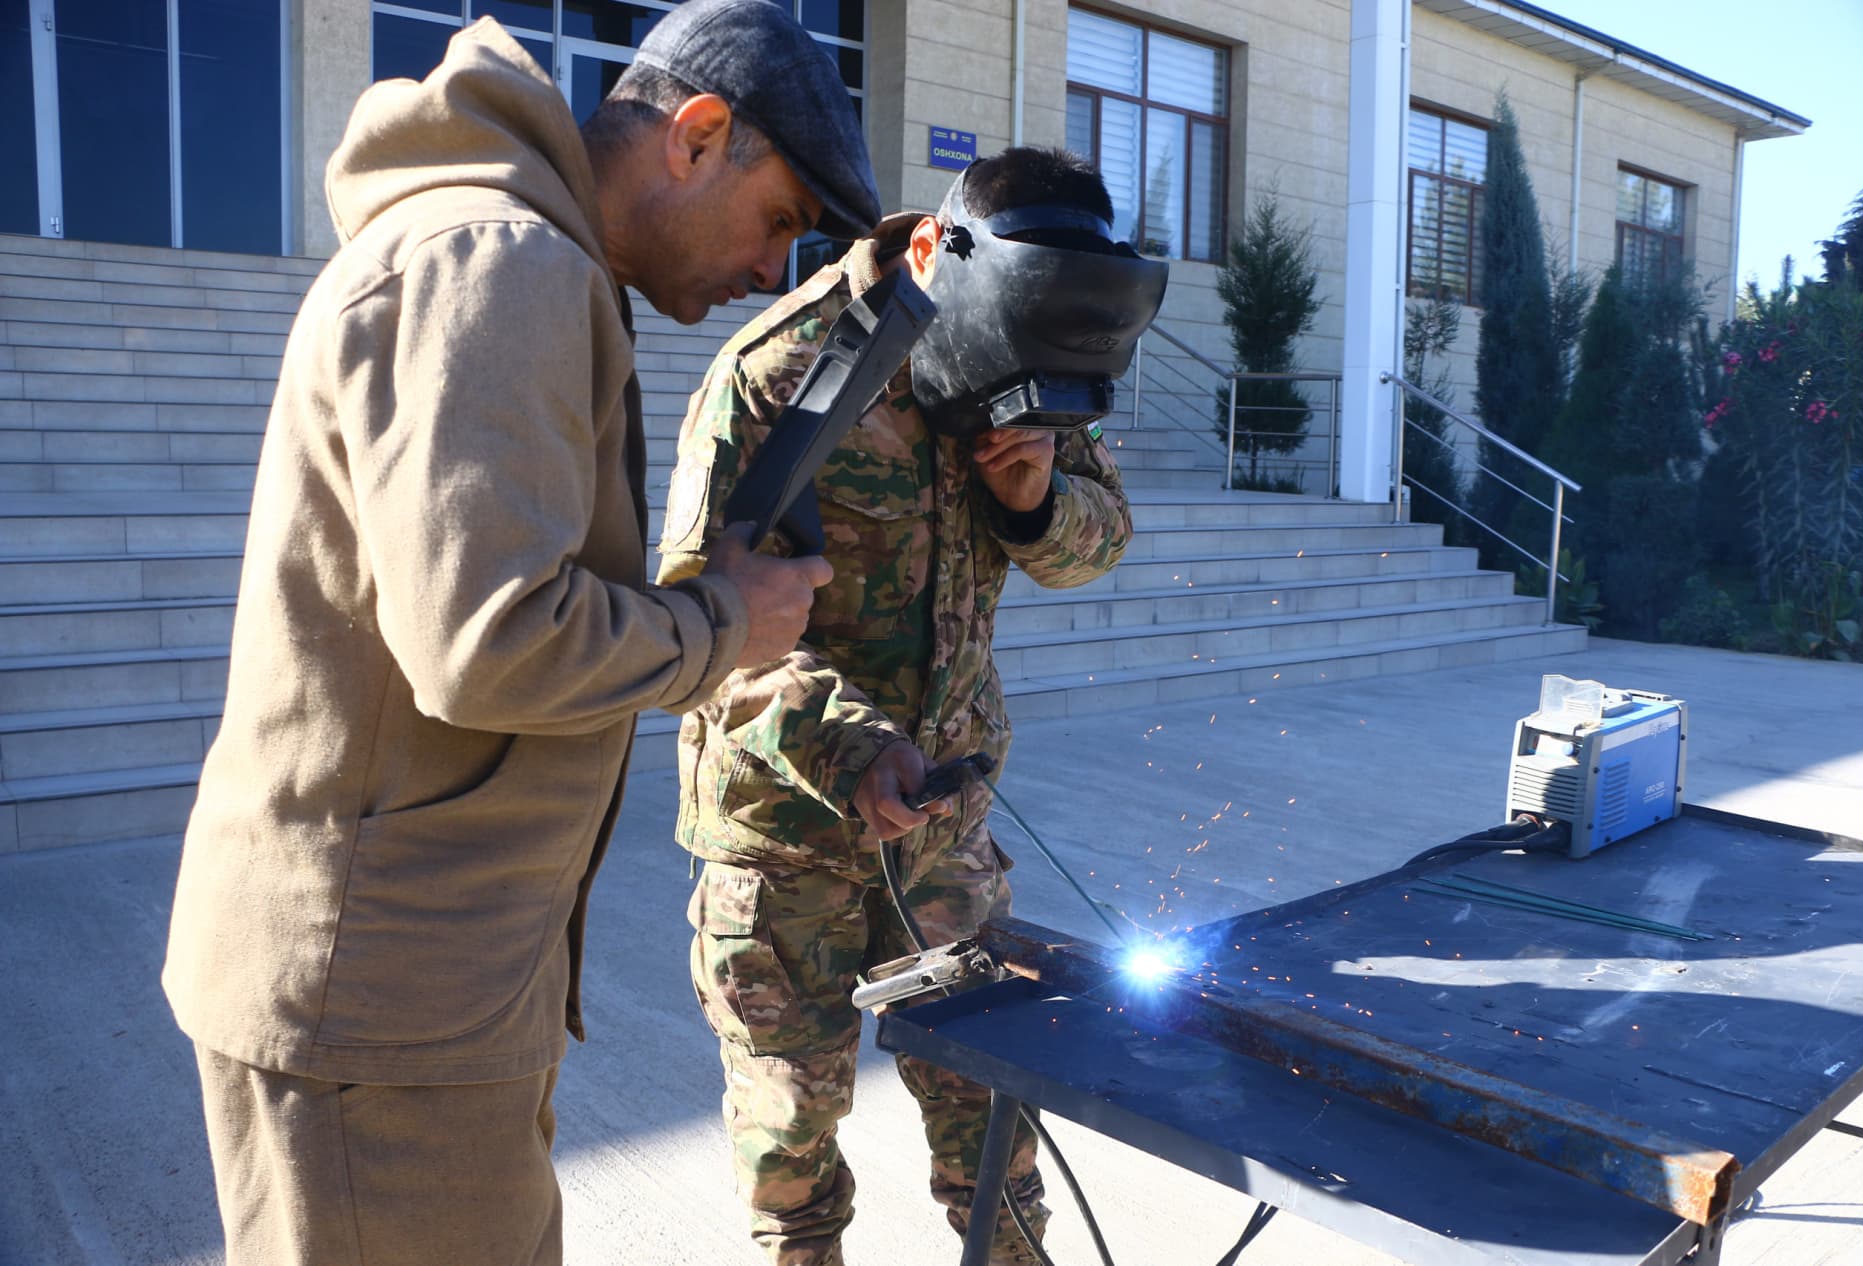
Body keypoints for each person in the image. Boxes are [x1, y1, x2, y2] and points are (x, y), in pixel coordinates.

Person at [160, 2, 875, 1262]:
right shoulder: (504, 264)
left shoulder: (513, 255)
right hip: (382, 1006)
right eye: (780, 223)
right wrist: (724, 620)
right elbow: (487, 640)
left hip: (415, 993)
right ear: (698, 136)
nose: (774, 273)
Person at [658, 147, 1167, 1265]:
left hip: (943, 825)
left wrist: (1035, 499)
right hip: (784, 839)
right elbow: (701, 634)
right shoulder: (783, 375)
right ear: (937, 258)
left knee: (993, 1116)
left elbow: (1102, 539)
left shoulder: (1029, 342)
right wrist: (851, 751)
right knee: (792, 1146)